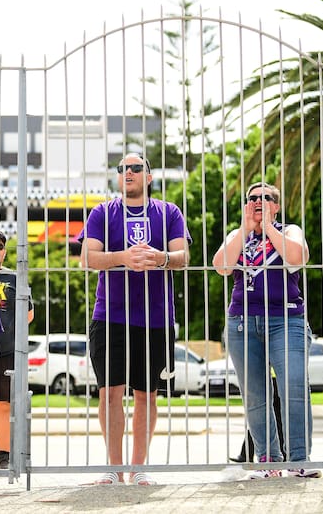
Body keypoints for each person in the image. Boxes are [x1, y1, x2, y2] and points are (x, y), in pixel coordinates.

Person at [79, 154, 191, 486]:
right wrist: (124, 257)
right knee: (109, 393)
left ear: (150, 176)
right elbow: (88, 257)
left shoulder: (169, 212)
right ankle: (114, 470)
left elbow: (183, 256)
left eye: (135, 168)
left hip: (155, 317)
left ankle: (139, 467)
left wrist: (160, 258)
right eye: (122, 169)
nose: (128, 172)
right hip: (109, 315)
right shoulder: (103, 212)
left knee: (146, 394)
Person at [212, 182, 319, 479]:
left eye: (266, 198)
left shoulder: (289, 230)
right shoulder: (238, 235)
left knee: (293, 387)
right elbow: (221, 265)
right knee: (255, 395)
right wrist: (246, 230)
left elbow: (297, 258)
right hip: (243, 323)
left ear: (276, 205)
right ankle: (267, 459)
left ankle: (299, 459)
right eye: (252, 198)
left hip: (286, 320)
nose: (259, 201)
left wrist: (269, 228)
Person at [0, 232, 34, 470]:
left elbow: (29, 313)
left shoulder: (14, 278)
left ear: (4, 251)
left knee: (2, 403)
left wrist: (10, 331)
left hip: (6, 350)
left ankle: (4, 455)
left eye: (0, 246)